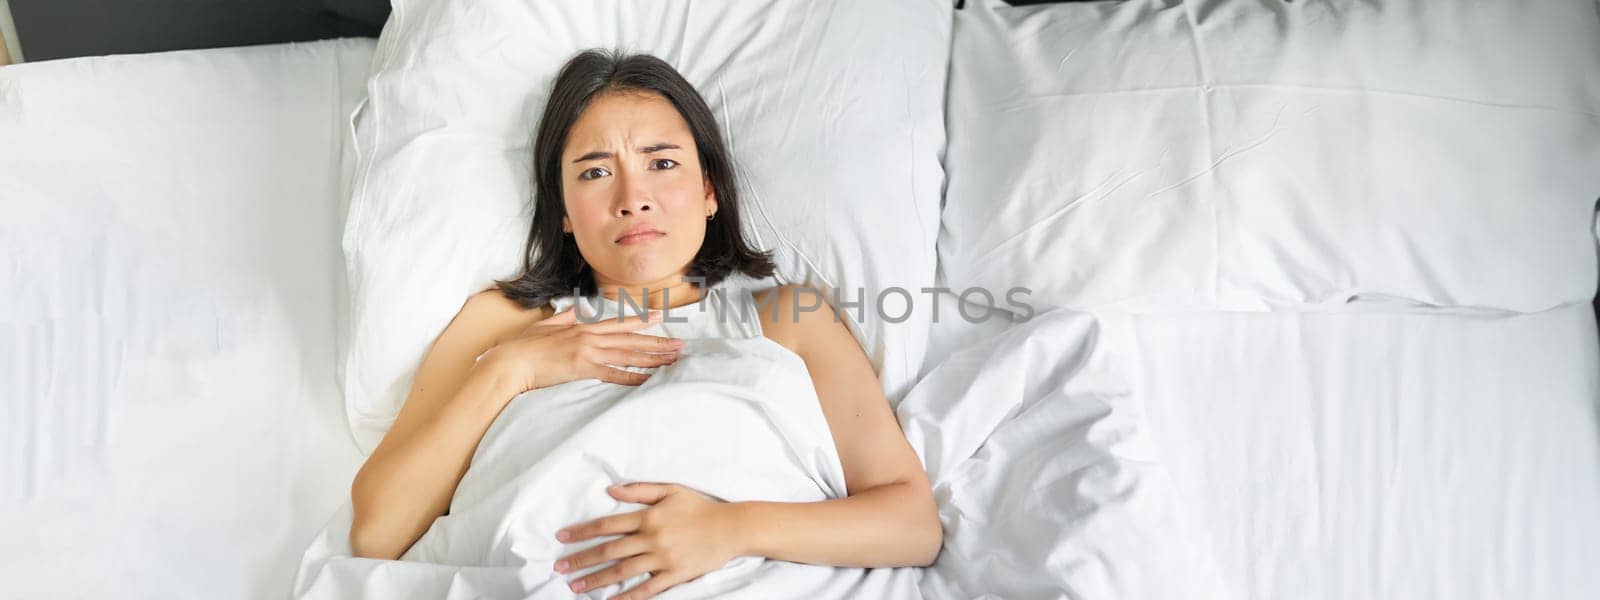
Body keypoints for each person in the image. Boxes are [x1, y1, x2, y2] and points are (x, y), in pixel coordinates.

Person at [345, 48, 941, 598]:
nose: (633, 197)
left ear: (709, 190)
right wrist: (514, 369)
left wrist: (732, 527)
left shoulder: (789, 318)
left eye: (661, 163)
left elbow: (911, 523)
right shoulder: (502, 324)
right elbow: (377, 531)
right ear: (566, 215)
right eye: (595, 172)